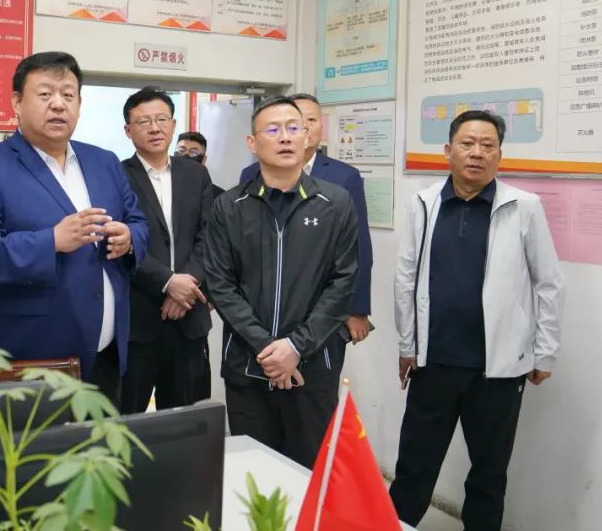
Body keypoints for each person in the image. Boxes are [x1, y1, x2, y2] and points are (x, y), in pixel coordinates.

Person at [389, 109, 565, 531]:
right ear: (448, 151)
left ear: (499, 155)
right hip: (434, 364)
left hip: (498, 371)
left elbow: (549, 283)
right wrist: (407, 345)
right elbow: (406, 279)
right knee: (414, 467)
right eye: (467, 144)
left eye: (488, 145)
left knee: (488, 473)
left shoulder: (523, 206)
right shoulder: (424, 203)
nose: (477, 153)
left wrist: (545, 352)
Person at [0, 52, 148, 403]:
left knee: (102, 440)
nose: (58, 104)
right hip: (32, 360)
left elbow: (138, 221)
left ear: (79, 104)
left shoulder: (104, 161)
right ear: (17, 102)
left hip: (107, 355)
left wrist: (129, 239)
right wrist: (51, 240)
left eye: (68, 95)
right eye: (45, 94)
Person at [205, 96, 358, 466]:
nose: (285, 137)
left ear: (307, 137)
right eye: (273, 130)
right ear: (252, 142)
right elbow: (221, 285)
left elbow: (342, 283)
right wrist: (268, 348)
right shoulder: (229, 206)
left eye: (293, 128)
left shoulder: (335, 203)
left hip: (312, 366)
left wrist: (295, 348)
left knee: (308, 472)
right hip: (248, 366)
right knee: (254, 473)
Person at [240, 93, 373, 344]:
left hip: (325, 303)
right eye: (297, 121)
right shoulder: (250, 174)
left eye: (311, 120)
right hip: (264, 303)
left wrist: (357, 308)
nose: (304, 127)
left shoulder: (345, 177)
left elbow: (359, 246)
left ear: (320, 126)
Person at [119, 88, 214, 413]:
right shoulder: (117, 175)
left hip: (188, 317)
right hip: (138, 318)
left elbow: (209, 235)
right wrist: (167, 282)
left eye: (161, 119)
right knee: (127, 419)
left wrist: (186, 283)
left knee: (185, 421)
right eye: (143, 121)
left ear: (173, 125)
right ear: (128, 131)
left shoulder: (196, 174)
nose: (154, 128)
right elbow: (119, 242)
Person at [175, 131, 225, 197]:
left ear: (203, 160)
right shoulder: (163, 188)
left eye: (193, 152)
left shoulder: (219, 196)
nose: (185, 156)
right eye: (181, 151)